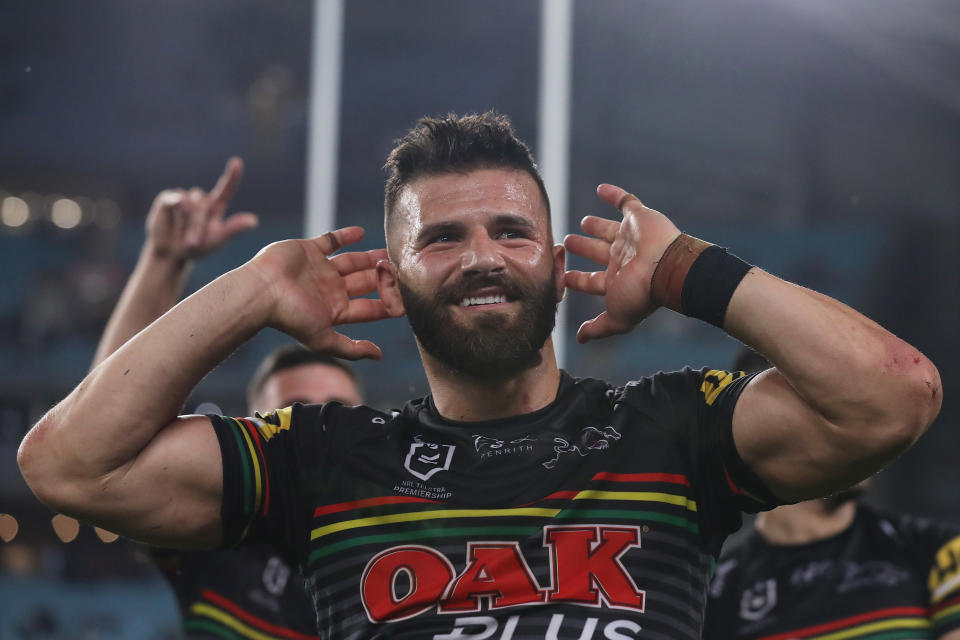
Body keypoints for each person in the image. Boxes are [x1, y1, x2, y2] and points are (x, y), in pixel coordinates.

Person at [18, 112, 942, 639]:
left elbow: (894, 393)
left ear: (552, 255)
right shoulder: (325, 457)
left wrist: (692, 272)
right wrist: (252, 288)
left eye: (510, 231)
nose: (483, 256)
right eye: (443, 237)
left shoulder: (668, 430)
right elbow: (69, 465)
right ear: (391, 272)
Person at [89, 160, 361, 638]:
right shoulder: (218, 537)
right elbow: (101, 435)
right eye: (296, 415)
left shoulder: (409, 535)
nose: (319, 429)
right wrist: (163, 261)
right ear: (253, 436)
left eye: (337, 414)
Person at [704, 349, 960, 640]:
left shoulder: (942, 553)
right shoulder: (713, 598)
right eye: (833, 410)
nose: (863, 431)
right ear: (764, 430)